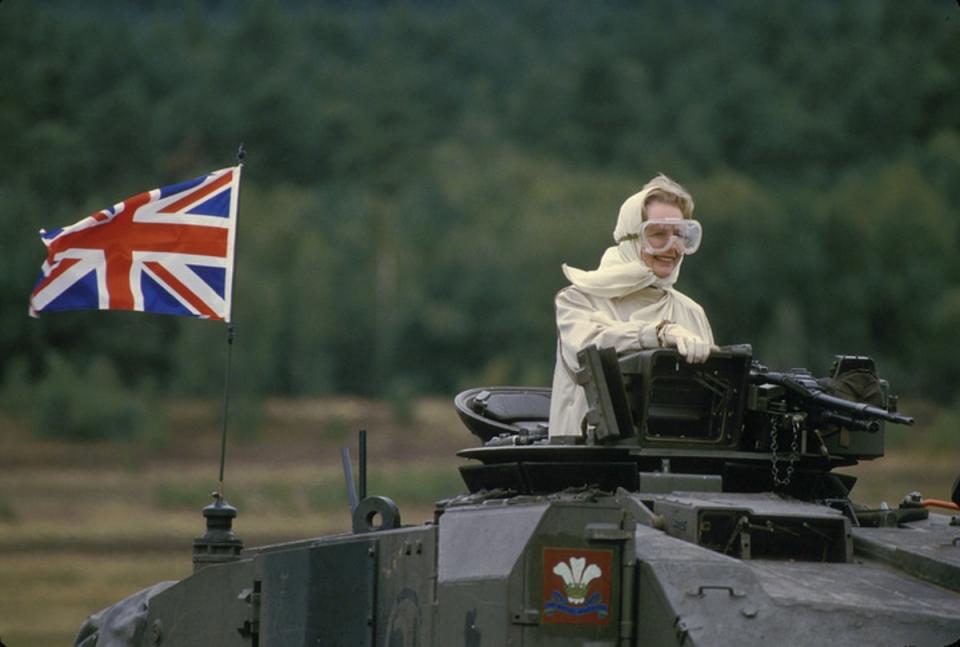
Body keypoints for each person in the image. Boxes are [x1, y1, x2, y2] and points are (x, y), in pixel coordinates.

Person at [548, 174, 715, 438]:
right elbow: (588, 346)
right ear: (631, 238)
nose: (672, 247)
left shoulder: (692, 313)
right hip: (582, 464)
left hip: (672, 461)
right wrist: (659, 332)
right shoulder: (578, 299)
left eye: (681, 235)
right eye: (658, 234)